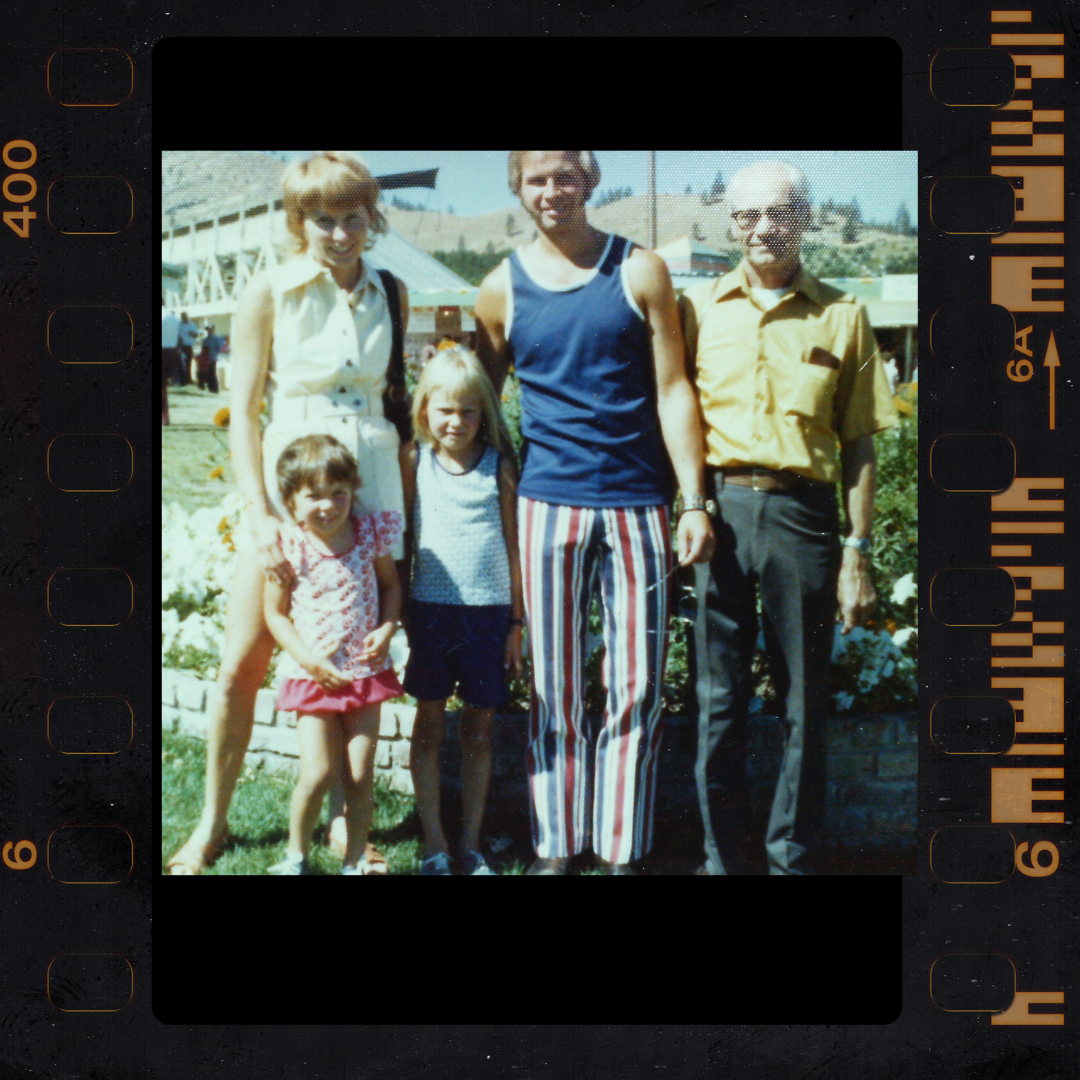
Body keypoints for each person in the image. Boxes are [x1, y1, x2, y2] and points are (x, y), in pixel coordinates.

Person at [166, 151, 409, 874]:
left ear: (373, 216)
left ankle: (345, 824)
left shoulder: (391, 290)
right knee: (244, 657)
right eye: (322, 220)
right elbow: (240, 412)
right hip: (290, 485)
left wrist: (405, 500)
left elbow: (397, 398)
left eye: (352, 217)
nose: (339, 234)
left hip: (371, 478)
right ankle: (212, 823)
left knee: (357, 641)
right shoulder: (270, 289)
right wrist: (262, 511)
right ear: (299, 221)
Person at [475, 151, 714, 875]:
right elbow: (484, 410)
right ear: (518, 187)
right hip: (548, 508)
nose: (554, 191)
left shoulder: (638, 271)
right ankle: (556, 843)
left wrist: (693, 499)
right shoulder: (499, 289)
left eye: (567, 175)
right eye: (538, 177)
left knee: (636, 685)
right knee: (553, 685)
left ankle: (620, 846)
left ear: (591, 181)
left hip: (638, 506)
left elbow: (674, 390)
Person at [679, 160, 898, 876]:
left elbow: (860, 441)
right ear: (731, 224)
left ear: (805, 219)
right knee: (718, 701)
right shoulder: (700, 310)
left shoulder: (844, 314)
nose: (763, 229)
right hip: (719, 515)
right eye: (747, 216)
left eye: (779, 214)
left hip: (804, 519)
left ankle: (790, 858)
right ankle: (723, 857)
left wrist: (856, 550)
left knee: (806, 702)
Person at [399, 346, 524, 876]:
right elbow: (402, 539)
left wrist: (517, 623)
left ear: (485, 413)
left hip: (487, 616)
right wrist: (399, 611)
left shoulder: (499, 466)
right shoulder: (414, 461)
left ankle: (470, 843)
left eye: (468, 411)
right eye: (445, 409)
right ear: (425, 407)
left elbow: (514, 546)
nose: (456, 421)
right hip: (431, 612)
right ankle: (434, 839)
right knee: (428, 726)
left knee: (478, 730)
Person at [263, 434, 403, 874]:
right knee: (319, 774)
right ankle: (295, 855)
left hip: (364, 671)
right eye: (314, 496)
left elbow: (390, 586)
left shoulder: (368, 535)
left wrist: (387, 627)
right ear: (291, 499)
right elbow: (275, 614)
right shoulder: (292, 547)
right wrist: (309, 661)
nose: (328, 505)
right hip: (314, 676)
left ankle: (355, 856)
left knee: (360, 776)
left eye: (338, 493)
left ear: (352, 492)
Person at [161, 297, 179, 424]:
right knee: (163, 387)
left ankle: (164, 416)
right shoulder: (173, 317)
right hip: (171, 352)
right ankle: (165, 416)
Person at [197, 323, 226, 393]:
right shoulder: (205, 340)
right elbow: (203, 349)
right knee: (206, 374)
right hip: (206, 359)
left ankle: (215, 389)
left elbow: (219, 349)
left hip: (212, 359)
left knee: (212, 373)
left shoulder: (216, 339)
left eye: (210, 329)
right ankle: (209, 389)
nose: (209, 331)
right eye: (208, 330)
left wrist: (213, 354)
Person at [176, 311, 198, 386]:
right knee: (181, 363)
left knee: (189, 363)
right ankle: (182, 380)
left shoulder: (192, 325)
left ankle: (189, 379)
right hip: (182, 346)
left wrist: (192, 333)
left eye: (185, 316)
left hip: (189, 346)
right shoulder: (179, 325)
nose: (184, 318)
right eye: (183, 316)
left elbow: (196, 335)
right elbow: (177, 335)